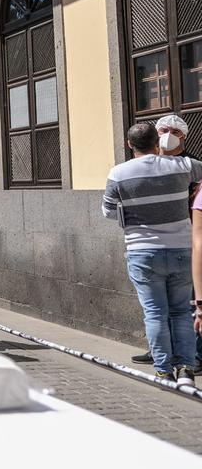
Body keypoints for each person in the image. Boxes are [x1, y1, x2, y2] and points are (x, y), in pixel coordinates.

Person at [102, 122, 202, 385]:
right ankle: (186, 369)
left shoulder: (118, 173)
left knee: (155, 313)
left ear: (129, 145)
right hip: (181, 249)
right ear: (156, 143)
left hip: (142, 251)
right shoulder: (183, 166)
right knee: (182, 311)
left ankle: (163, 370)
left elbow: (109, 211)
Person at [134, 114, 193, 365]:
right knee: (158, 307)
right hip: (151, 245)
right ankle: (160, 351)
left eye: (175, 131)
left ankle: (192, 355)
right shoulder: (144, 168)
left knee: (186, 305)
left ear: (184, 137)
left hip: (187, 243)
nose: (168, 135)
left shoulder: (190, 167)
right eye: (164, 130)